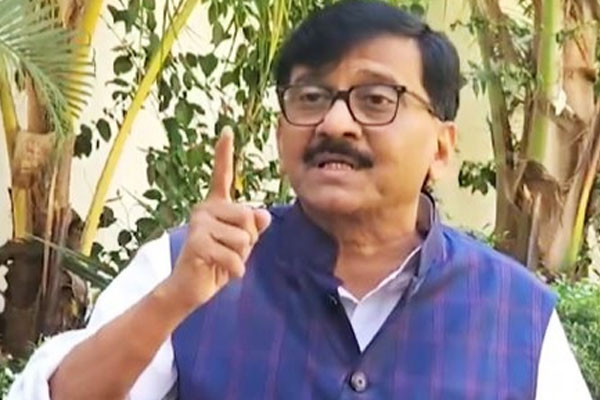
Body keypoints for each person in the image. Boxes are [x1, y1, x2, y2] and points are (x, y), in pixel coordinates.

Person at [9, 1, 592, 399]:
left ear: (441, 147)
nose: (334, 122)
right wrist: (174, 301)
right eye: (310, 97)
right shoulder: (185, 267)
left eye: (376, 99)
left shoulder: (516, 315)